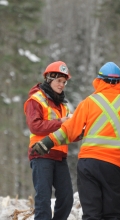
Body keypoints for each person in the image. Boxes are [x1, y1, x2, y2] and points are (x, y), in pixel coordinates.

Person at [30, 62, 120, 220]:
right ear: (119, 82)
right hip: (112, 166)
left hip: (87, 165)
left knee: (91, 214)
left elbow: (69, 130)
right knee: (111, 214)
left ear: (99, 81)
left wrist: (48, 142)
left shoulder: (89, 102)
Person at [24, 61, 74, 220]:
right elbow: (35, 126)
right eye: (59, 81)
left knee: (67, 199)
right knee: (43, 200)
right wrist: (61, 122)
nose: (62, 85)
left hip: (60, 156)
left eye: (64, 82)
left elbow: (67, 131)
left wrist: (80, 130)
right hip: (41, 154)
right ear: (49, 79)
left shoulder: (64, 105)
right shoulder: (36, 99)